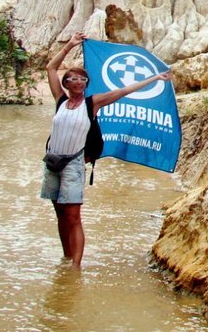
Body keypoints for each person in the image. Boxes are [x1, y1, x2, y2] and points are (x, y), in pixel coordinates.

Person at [42, 31, 172, 269]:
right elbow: (51, 69)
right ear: (66, 84)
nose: (79, 83)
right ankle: (66, 257)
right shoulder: (60, 100)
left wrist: (154, 79)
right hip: (51, 163)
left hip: (73, 163)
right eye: (74, 79)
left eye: (83, 80)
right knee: (59, 214)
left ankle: (75, 268)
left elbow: (123, 91)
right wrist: (70, 45)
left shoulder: (93, 103)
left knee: (72, 216)